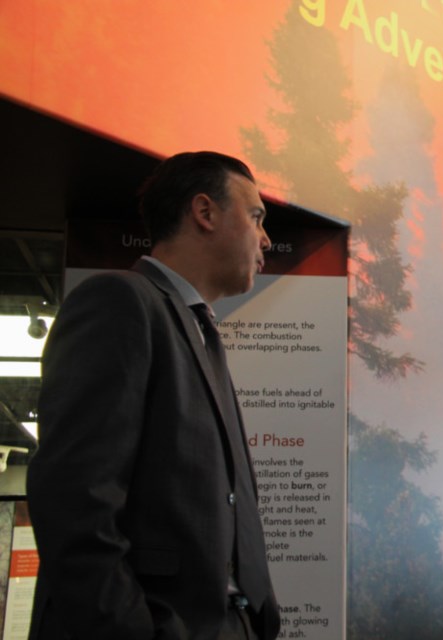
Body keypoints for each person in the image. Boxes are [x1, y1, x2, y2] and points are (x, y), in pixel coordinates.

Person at [27, 151, 280, 639]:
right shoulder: (120, 301)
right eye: (256, 217)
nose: (266, 238)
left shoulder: (197, 328)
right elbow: (77, 500)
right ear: (204, 213)